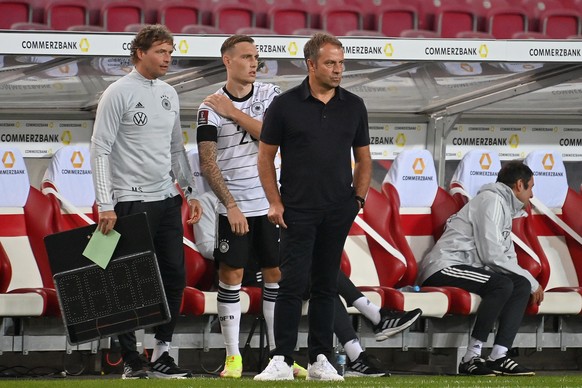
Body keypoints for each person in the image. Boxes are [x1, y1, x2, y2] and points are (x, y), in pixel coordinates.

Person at [255, 32, 372, 381]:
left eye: (341, 63)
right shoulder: (285, 105)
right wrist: (274, 202)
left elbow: (364, 160)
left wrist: (357, 200)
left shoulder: (354, 105)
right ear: (311, 64)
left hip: (338, 209)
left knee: (325, 286)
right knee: (291, 285)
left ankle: (321, 358)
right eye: (330, 63)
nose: (338, 70)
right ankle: (281, 359)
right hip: (296, 210)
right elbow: (265, 158)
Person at [90, 24, 203, 379]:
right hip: (129, 202)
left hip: (167, 200)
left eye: (171, 52)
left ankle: (162, 353)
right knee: (128, 280)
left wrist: (191, 190)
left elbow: (174, 148)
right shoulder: (117, 92)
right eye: (161, 52)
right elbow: (99, 149)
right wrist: (104, 203)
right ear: (141, 53)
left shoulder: (169, 93)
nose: (168, 58)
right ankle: (131, 361)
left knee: (174, 275)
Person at [196, 34, 283, 379]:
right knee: (230, 276)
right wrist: (230, 204)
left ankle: (279, 356)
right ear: (227, 61)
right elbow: (207, 162)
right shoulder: (208, 106)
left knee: (276, 275)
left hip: (270, 204)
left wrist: (232, 112)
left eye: (256, 58)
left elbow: (275, 136)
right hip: (234, 207)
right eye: (246, 57)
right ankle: (233, 358)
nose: (253, 64)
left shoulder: (270, 95)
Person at [417, 160, 544, 376]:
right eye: (531, 187)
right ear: (519, 184)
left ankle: (499, 356)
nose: (532, 195)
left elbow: (507, 256)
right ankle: (470, 357)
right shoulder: (491, 201)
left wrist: (528, 282)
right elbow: (492, 256)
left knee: (519, 284)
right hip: (444, 267)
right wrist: (534, 282)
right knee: (503, 284)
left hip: (467, 269)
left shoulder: (504, 207)